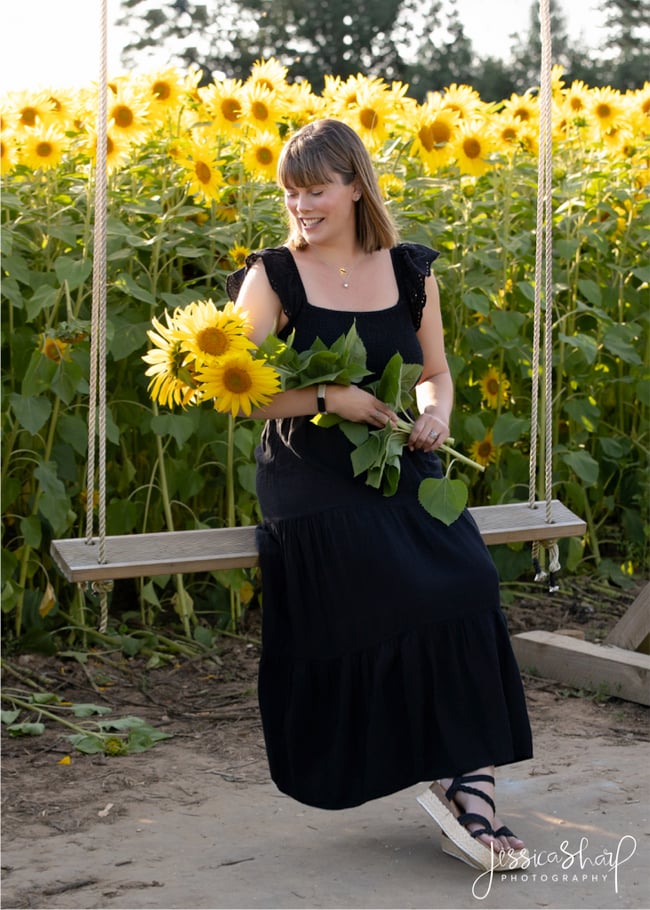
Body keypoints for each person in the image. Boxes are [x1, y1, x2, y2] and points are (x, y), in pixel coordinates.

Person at [226, 118, 533, 872]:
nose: (301, 205)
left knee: (468, 578)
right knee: (384, 572)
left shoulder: (408, 269)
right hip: (308, 474)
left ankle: (467, 769)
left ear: (356, 186)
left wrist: (436, 415)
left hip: (396, 460)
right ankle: (466, 782)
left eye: (317, 189)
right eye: (291, 191)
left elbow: (435, 369)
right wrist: (331, 397)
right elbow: (235, 394)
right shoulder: (275, 276)